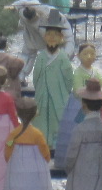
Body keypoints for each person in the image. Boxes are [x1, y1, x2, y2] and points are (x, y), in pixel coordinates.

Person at [52, 42, 102, 164]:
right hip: (78, 104)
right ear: (78, 56)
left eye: (92, 54)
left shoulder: (95, 72)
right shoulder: (78, 72)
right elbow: (77, 89)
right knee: (75, 128)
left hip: (93, 103)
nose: (89, 56)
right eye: (85, 54)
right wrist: (88, 94)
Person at [1, 97, 55, 190]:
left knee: (18, 189)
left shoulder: (13, 134)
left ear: (18, 114)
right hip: (35, 168)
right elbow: (45, 152)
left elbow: (8, 148)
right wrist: (46, 160)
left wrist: (10, 160)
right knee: (35, 189)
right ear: (35, 115)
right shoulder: (38, 134)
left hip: (17, 167)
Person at [30, 10, 74, 148]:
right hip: (43, 97)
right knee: (41, 120)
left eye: (55, 35)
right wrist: (41, 92)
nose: (52, 38)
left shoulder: (63, 58)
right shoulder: (41, 57)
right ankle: (42, 142)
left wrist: (62, 94)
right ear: (44, 37)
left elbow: (69, 81)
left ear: (61, 38)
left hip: (59, 98)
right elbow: (36, 78)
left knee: (58, 121)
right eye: (49, 34)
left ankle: (56, 145)